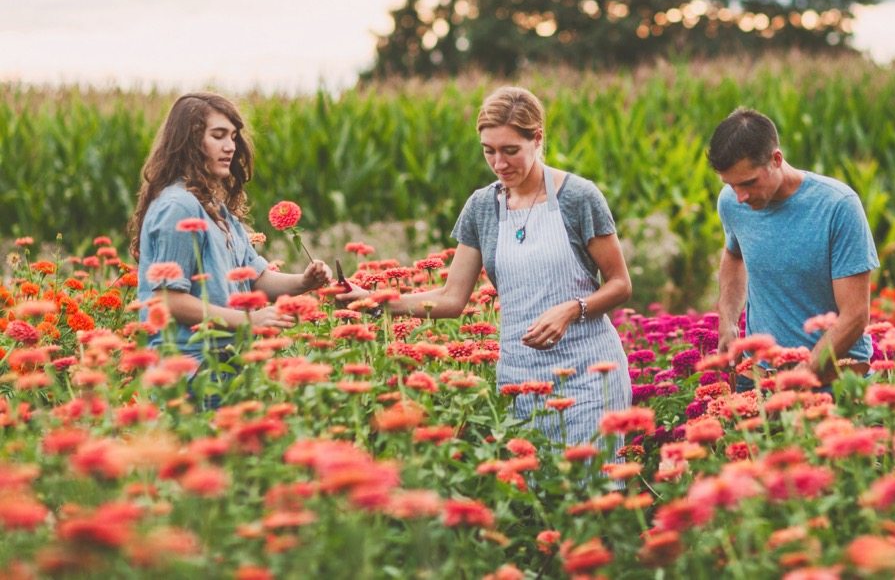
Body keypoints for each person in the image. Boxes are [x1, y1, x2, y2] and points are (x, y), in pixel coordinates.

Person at [352, 86, 633, 447]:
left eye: (510, 151)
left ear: (537, 138)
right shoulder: (482, 207)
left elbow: (620, 284)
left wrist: (572, 309)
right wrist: (375, 302)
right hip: (521, 378)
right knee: (537, 497)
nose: (499, 164)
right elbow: (452, 299)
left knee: (595, 494)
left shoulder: (577, 197)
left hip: (591, 376)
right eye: (489, 152)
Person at [130, 93, 330, 361]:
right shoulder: (179, 207)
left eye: (233, 137)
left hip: (225, 362)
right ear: (189, 141)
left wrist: (305, 281)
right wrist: (250, 319)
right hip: (188, 368)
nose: (231, 147)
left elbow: (254, 278)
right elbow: (169, 298)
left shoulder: (214, 207)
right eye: (218, 135)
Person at [708, 108, 877, 387]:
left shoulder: (838, 206)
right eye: (731, 185)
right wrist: (727, 322)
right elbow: (734, 255)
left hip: (834, 382)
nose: (740, 197)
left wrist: (805, 372)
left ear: (776, 159)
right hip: (758, 382)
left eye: (749, 183)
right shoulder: (732, 202)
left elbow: (856, 314)